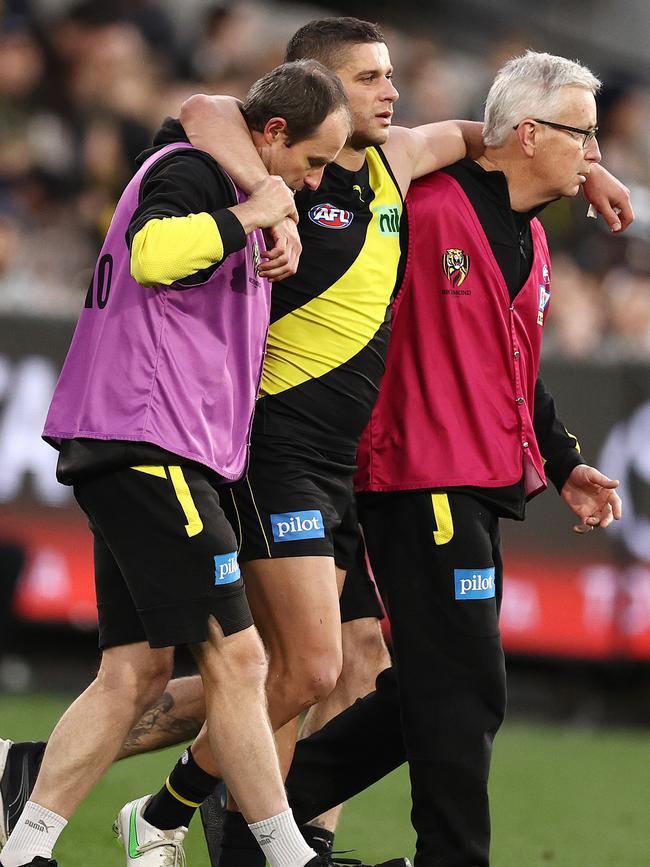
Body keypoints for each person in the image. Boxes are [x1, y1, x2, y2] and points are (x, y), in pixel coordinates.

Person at [0, 24, 633, 867]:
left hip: (339, 462)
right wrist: (265, 202)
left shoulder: (394, 166)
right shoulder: (271, 168)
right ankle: (210, 827)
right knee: (289, 666)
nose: (391, 90)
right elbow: (203, 108)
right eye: (368, 77)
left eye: (391, 74)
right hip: (278, 448)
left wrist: (587, 166)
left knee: (324, 663)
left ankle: (130, 799)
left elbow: (484, 141)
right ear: (310, 96)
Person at [0, 59, 353, 867]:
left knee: (134, 670)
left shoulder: (222, 172)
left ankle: (24, 851)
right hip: (152, 442)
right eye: (311, 160)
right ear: (272, 135)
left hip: (134, 442)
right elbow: (156, 252)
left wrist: (267, 214)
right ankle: (288, 855)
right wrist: (257, 209)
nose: (313, 180)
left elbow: (207, 114)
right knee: (240, 656)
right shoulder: (198, 172)